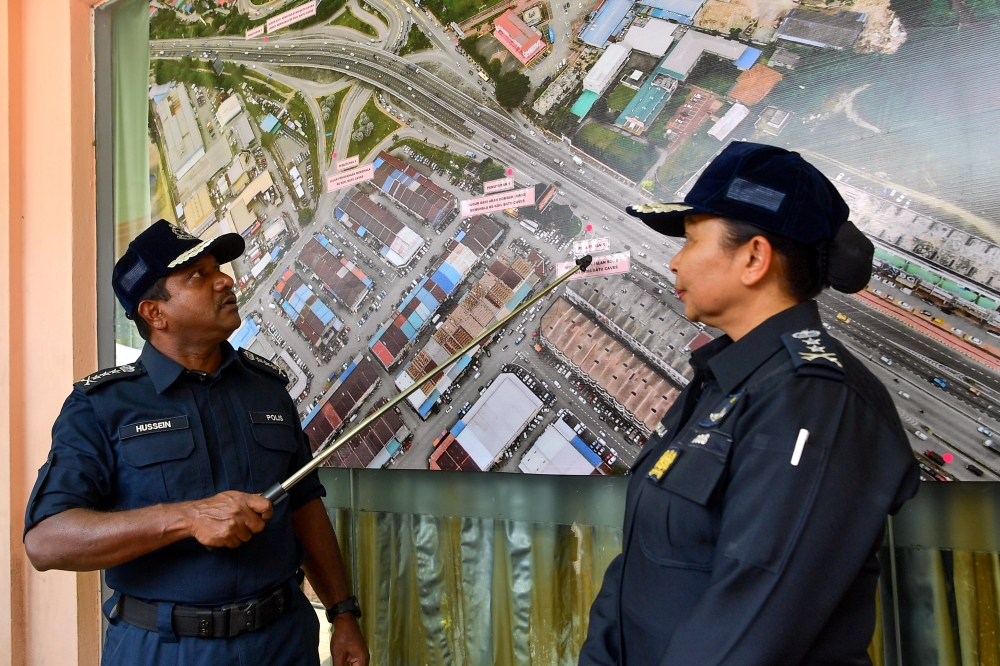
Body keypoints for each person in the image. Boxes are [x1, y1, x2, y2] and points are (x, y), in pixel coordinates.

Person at [579, 143, 920, 666]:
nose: (674, 259)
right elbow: (638, 569)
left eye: (692, 239)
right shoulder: (724, 382)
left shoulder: (818, 402)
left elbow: (751, 627)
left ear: (755, 258)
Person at [23, 221, 369, 666]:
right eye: (197, 276)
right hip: (167, 648)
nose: (225, 279)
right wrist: (186, 518)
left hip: (283, 641)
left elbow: (304, 505)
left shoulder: (266, 390)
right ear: (155, 313)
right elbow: (46, 542)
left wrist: (342, 614)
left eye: (218, 268)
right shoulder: (102, 406)